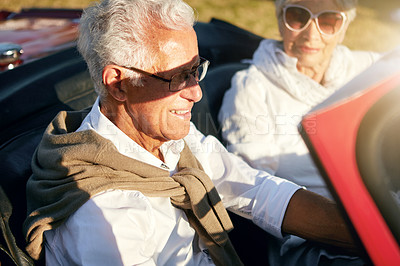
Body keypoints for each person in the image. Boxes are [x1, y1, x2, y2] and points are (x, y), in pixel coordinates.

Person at [23, 0, 360, 265]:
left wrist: (371, 233)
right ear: (119, 83)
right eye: (176, 77)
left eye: (196, 70)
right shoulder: (105, 221)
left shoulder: (164, 134)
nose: (196, 92)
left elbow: (255, 189)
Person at [218, 0, 381, 264]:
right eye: (297, 16)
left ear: (345, 25)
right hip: (320, 244)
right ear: (280, 19)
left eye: (328, 21)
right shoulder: (252, 90)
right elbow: (253, 189)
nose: (311, 34)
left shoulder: (366, 68)